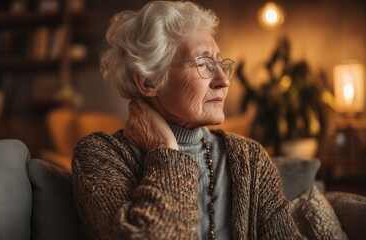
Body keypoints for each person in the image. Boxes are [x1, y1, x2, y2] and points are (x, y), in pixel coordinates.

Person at [72, 1, 305, 239]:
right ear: (148, 81)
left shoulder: (250, 159)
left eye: (221, 64)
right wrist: (164, 149)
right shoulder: (99, 156)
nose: (223, 81)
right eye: (204, 64)